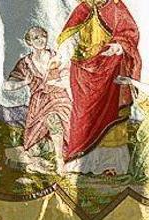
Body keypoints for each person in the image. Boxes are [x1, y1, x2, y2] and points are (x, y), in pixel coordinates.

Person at [58, 0, 141, 175]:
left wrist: (119, 46)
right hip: (83, 73)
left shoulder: (116, 7)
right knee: (83, 116)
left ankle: (110, 166)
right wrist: (69, 49)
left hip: (110, 69)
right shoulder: (82, 9)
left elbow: (129, 33)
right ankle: (80, 163)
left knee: (110, 115)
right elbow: (68, 38)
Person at [4, 25, 72, 173]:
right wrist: (24, 82)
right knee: (37, 143)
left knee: (54, 117)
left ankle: (60, 160)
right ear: (29, 42)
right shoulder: (25, 63)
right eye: (36, 38)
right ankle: (52, 156)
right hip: (39, 103)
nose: (41, 40)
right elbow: (7, 86)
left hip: (59, 98)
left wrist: (57, 82)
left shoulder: (57, 57)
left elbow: (69, 78)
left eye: (43, 36)